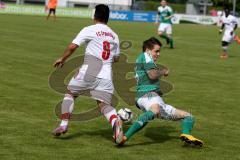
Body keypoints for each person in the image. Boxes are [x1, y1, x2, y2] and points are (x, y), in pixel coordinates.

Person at [52, 4, 123, 144]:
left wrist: (62, 58)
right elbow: (116, 58)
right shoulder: (114, 35)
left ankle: (64, 124)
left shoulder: (89, 29)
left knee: (70, 94)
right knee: (104, 105)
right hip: (106, 75)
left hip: (88, 72)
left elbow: (73, 46)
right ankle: (116, 123)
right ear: (108, 18)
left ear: (94, 16)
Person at [119, 37, 203, 146]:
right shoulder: (145, 56)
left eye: (159, 51)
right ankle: (124, 137)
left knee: (188, 116)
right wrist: (163, 71)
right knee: (154, 111)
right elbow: (152, 75)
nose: (158, 54)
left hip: (154, 98)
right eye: (156, 51)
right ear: (148, 50)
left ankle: (186, 134)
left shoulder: (145, 59)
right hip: (147, 95)